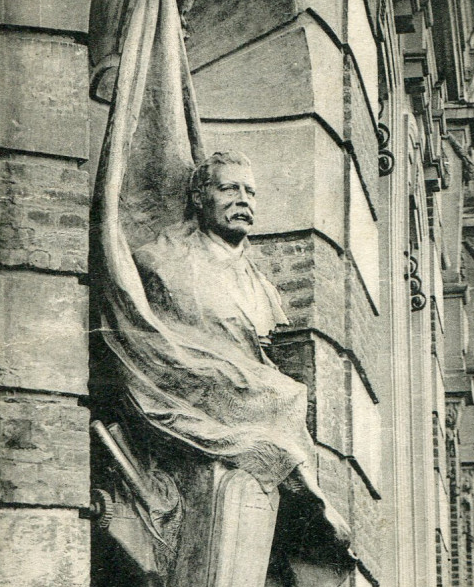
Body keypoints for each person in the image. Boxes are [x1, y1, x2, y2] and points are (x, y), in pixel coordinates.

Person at [129, 149, 351, 553]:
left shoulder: (262, 284)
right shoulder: (161, 261)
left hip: (243, 402)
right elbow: (154, 345)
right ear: (200, 197)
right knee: (280, 407)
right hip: (187, 398)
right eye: (229, 188)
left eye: (250, 191)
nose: (243, 200)